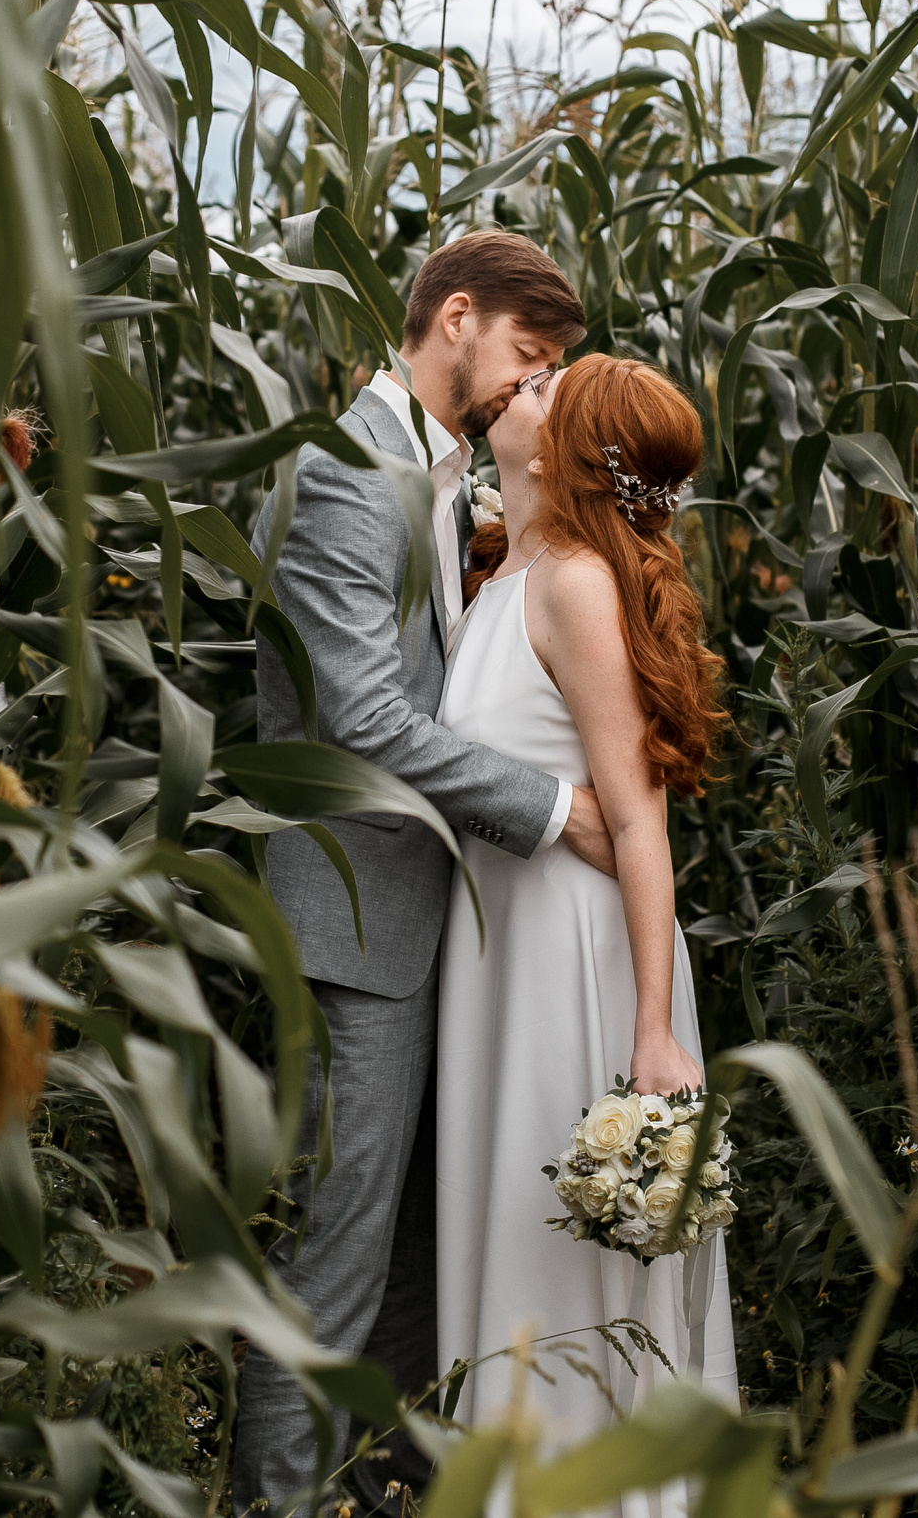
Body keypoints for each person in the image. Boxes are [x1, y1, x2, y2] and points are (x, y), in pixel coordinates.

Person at [236, 231, 618, 1514]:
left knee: (410, 1270)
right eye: (526, 355)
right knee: (328, 1272)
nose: (531, 389)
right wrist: (556, 807)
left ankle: (380, 1496)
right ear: (455, 318)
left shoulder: (447, 477)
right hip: (358, 931)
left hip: (428, 932)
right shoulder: (352, 470)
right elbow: (358, 717)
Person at [433, 354, 737, 1492]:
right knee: (497, 1226)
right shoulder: (502, 573)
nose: (523, 386)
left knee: (553, 1261)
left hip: (576, 962)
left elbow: (641, 822)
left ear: (567, 451)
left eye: (546, 386)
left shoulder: (573, 585)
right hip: (497, 958)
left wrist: (653, 1031)